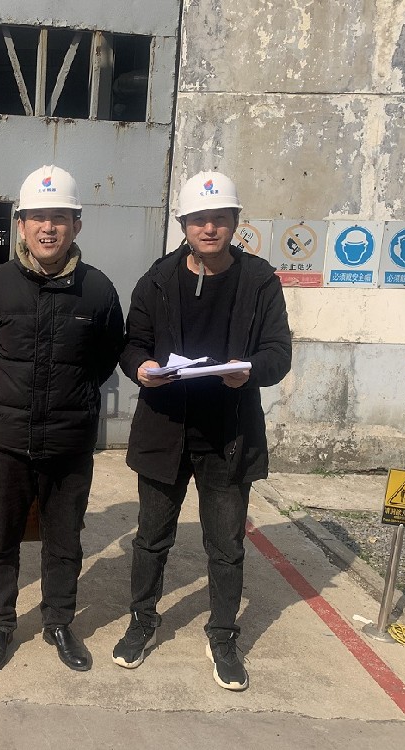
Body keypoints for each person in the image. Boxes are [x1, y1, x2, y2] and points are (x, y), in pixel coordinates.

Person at [112, 171, 292, 691]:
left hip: (227, 433)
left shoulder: (259, 281)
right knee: (151, 538)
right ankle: (142, 619)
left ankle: (223, 635)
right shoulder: (157, 279)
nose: (209, 228)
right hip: (165, 429)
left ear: (235, 222)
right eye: (198, 220)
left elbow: (278, 352)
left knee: (226, 545)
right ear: (184, 225)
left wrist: (249, 372)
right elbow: (131, 342)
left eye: (219, 219)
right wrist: (141, 367)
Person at [0, 165, 124, 673]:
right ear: (21, 225)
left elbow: (105, 359)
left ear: (77, 225)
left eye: (59, 217)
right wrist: (2, 399)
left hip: (69, 440)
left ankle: (58, 622)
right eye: (37, 217)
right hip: (5, 439)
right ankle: (0, 624)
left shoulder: (97, 291)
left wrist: (70, 398)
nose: (48, 228)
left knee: (64, 540)